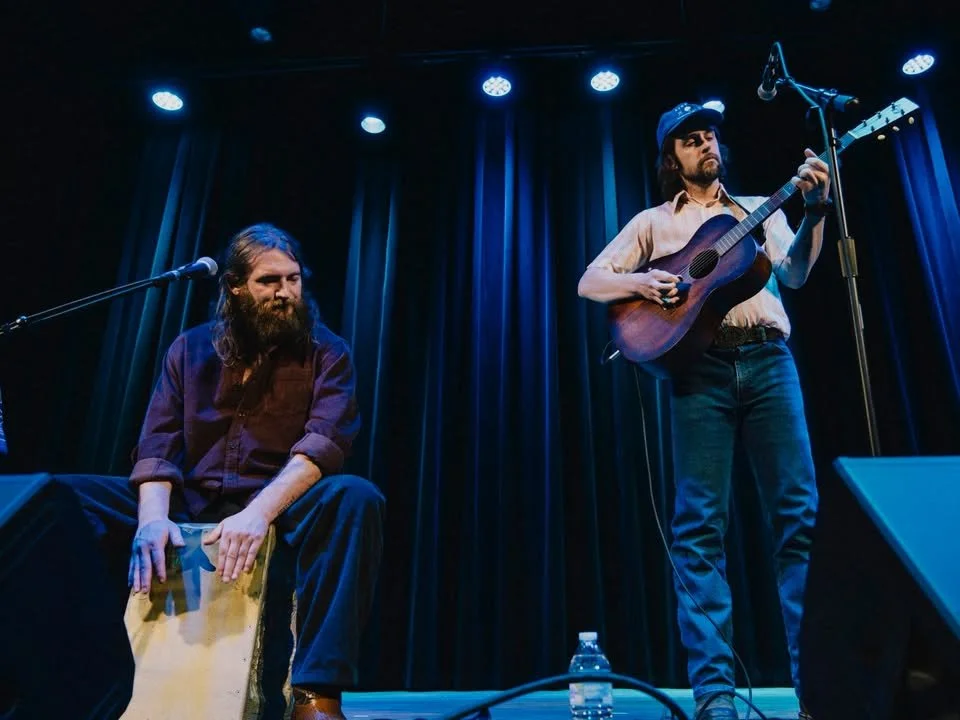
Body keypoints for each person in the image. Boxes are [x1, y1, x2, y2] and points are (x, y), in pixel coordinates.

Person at [65, 223, 385, 720]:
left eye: (294, 280)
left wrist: (258, 514)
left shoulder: (328, 353)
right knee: (56, 500)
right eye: (269, 282)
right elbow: (157, 445)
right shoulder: (189, 350)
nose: (286, 293)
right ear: (234, 285)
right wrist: (152, 519)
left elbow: (321, 449)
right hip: (192, 497)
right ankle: (61, 673)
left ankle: (316, 694)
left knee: (356, 497)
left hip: (278, 504)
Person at [578, 102, 830, 720]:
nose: (706, 144)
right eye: (692, 139)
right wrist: (642, 284)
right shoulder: (653, 222)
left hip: (770, 362)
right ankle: (716, 699)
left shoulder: (752, 210)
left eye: (711, 134)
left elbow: (794, 274)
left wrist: (816, 210)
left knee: (799, 521)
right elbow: (590, 280)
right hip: (701, 370)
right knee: (698, 532)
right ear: (673, 157)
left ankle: (820, 691)